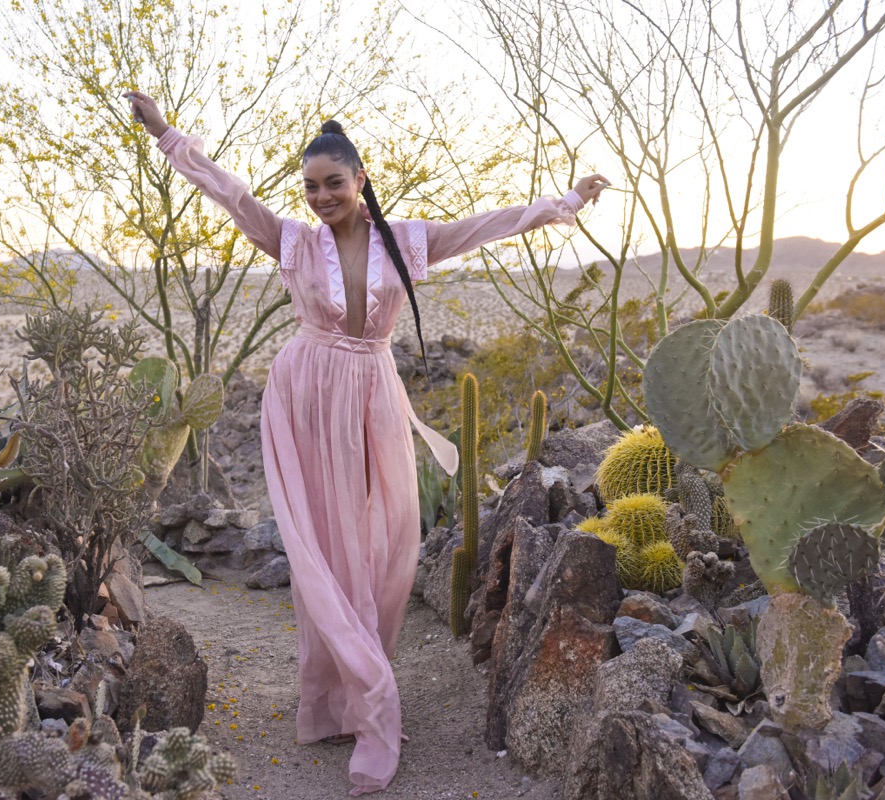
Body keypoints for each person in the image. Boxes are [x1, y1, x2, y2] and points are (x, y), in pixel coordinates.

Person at [123, 90, 609, 796]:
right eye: (311, 186)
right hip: (306, 395)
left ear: (360, 180)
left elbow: (488, 225)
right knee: (323, 549)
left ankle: (349, 693)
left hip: (373, 395)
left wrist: (564, 201)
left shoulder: (405, 240)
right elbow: (229, 193)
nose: (322, 197)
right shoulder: (293, 240)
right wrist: (167, 134)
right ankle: (366, 714)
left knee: (385, 550)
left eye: (334, 183)